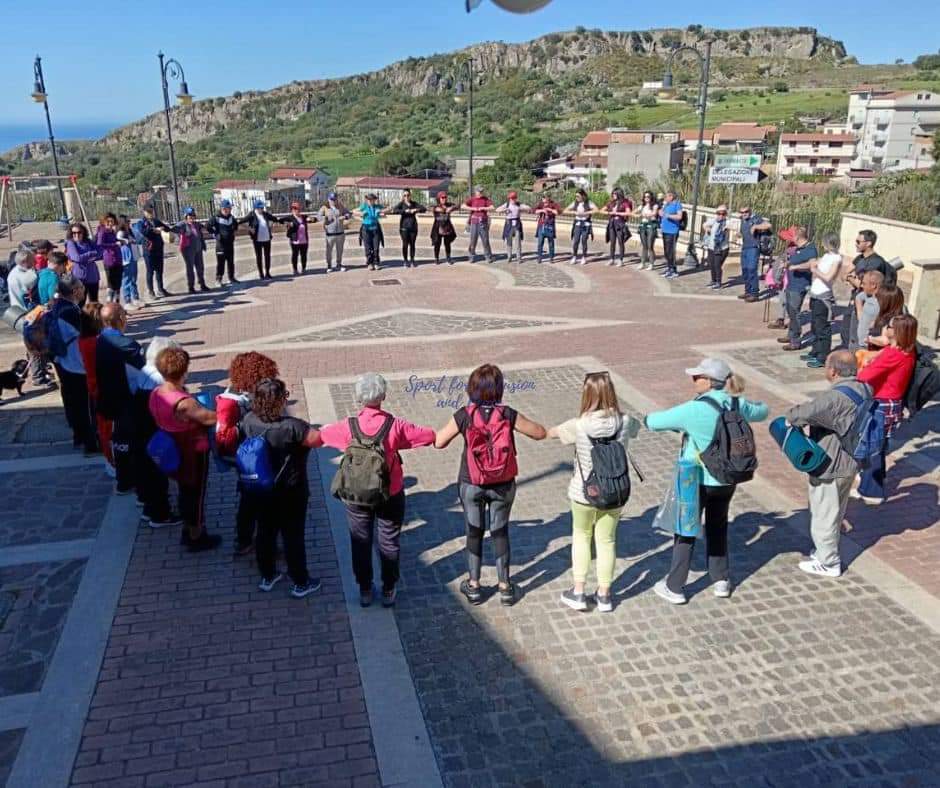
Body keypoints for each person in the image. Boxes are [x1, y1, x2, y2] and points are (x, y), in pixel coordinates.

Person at [645, 358, 768, 603]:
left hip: (696, 477)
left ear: (710, 381)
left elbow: (653, 422)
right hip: (727, 478)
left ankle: (675, 586)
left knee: (686, 529)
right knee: (718, 525)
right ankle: (721, 579)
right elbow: (763, 410)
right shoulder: (736, 403)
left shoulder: (694, 409)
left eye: (697, 376)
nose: (693, 380)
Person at [316, 373, 436, 607]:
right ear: (383, 396)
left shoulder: (348, 426)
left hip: (356, 494)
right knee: (389, 541)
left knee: (360, 541)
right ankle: (389, 588)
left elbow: (321, 436)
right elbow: (426, 435)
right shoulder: (395, 426)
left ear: (359, 398)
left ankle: (365, 589)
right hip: (389, 492)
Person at [434, 364, 547, 606]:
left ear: (472, 388)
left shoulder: (464, 414)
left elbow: (439, 442)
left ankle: (474, 586)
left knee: (474, 532)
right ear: (499, 389)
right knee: (500, 531)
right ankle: (505, 587)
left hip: (471, 482)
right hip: (503, 484)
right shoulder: (507, 413)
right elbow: (539, 433)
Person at [547, 371, 640, 612]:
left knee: (581, 536)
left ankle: (578, 592)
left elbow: (551, 433)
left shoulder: (578, 426)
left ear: (587, 394)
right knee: (607, 540)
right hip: (615, 491)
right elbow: (637, 428)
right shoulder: (625, 421)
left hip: (583, 492)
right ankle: (605, 595)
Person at [786, 350, 870, 577]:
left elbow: (798, 415)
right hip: (852, 460)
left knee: (824, 513)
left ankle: (828, 561)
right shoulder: (864, 388)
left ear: (832, 370)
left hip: (832, 463)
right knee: (836, 510)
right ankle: (825, 551)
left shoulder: (834, 398)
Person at [240, 378, 322, 598]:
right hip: (290, 491)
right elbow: (317, 439)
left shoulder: (248, 420)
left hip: (260, 489)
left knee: (265, 532)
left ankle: (267, 575)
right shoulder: (292, 427)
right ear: (278, 401)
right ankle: (300, 581)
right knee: (293, 536)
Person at [149, 347, 221, 551]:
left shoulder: (156, 393)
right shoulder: (184, 402)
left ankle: (188, 529)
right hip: (191, 450)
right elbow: (209, 418)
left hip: (171, 447)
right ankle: (196, 535)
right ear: (184, 371)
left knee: (184, 490)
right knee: (195, 494)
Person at [854, 315, 918, 504]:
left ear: (896, 331)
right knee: (879, 445)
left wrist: (865, 364)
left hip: (881, 403)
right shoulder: (907, 351)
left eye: (889, 327)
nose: (886, 329)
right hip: (893, 403)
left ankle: (871, 491)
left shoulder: (893, 354)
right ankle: (874, 478)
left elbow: (864, 376)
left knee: (872, 446)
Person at [222, 351, 281, 556]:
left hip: (242, 458)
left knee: (247, 498)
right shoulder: (246, 400)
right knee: (264, 502)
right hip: (258, 456)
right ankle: (267, 545)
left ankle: (243, 540)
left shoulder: (231, 393)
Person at [97, 302, 149, 495]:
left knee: (119, 441)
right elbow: (145, 369)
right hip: (127, 399)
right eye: (125, 314)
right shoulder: (126, 345)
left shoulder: (101, 339)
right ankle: (132, 481)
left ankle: (123, 480)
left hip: (109, 398)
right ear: (120, 319)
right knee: (132, 442)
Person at [50, 275, 98, 454]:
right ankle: (90, 443)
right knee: (85, 407)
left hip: (64, 363)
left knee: (74, 404)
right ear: (75, 291)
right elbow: (86, 334)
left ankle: (79, 437)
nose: (83, 289)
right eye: (80, 287)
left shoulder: (59, 307)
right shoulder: (71, 312)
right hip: (75, 365)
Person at [77, 302, 114, 477]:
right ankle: (111, 458)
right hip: (103, 385)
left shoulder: (83, 340)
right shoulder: (98, 341)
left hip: (92, 384)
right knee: (107, 426)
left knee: (101, 423)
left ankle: (108, 456)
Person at [7, 250, 54, 388]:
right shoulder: (26, 276)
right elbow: (35, 278)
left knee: (32, 348)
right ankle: (38, 377)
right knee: (35, 349)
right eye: (33, 260)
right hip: (27, 316)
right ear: (24, 262)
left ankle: (40, 371)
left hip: (20, 314)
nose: (35, 262)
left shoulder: (14, 272)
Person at [843, 230, 895, 350]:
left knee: (860, 338)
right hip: (857, 300)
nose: (855, 244)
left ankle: (857, 365)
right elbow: (845, 274)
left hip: (868, 304)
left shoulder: (876, 262)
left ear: (868, 243)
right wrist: (852, 279)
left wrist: (851, 278)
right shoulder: (860, 258)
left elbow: (863, 285)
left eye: (858, 241)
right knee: (849, 334)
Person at [803, 233, 844, 368]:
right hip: (815, 294)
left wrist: (815, 270)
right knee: (815, 325)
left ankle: (823, 356)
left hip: (823, 297)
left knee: (823, 327)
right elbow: (817, 264)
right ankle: (815, 351)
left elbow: (829, 277)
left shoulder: (836, 258)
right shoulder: (826, 256)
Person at [777, 226, 817, 352]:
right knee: (790, 310)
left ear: (798, 237)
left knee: (795, 312)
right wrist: (787, 264)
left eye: (792, 236)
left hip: (799, 285)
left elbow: (812, 264)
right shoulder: (798, 248)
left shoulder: (810, 249)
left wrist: (796, 267)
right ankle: (791, 334)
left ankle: (795, 340)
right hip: (791, 284)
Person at [131, 204, 171, 299]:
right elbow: (144, 232)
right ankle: (151, 291)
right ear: (144, 212)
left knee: (159, 271)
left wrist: (162, 228)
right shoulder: (141, 223)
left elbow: (167, 228)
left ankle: (161, 289)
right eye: (148, 212)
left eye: (151, 211)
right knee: (150, 271)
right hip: (149, 251)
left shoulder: (156, 221)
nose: (150, 214)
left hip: (159, 249)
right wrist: (154, 230)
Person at [737, 206, 772, 302]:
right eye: (742, 212)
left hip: (753, 247)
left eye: (746, 211)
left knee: (752, 269)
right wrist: (739, 234)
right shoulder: (742, 220)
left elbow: (768, 225)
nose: (744, 213)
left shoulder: (756, 218)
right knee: (745, 270)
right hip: (745, 248)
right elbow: (743, 232)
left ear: (750, 211)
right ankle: (747, 291)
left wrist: (756, 226)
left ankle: (754, 293)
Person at [173, 207, 211, 294]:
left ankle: (202, 284)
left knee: (200, 267)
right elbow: (174, 229)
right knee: (190, 268)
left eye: (193, 215)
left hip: (198, 248)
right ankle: (191, 287)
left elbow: (205, 227)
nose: (192, 218)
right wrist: (182, 231)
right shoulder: (182, 224)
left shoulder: (196, 224)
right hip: (188, 250)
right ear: (186, 216)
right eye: (190, 216)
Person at [206, 199, 241, 286]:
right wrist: (215, 233)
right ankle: (218, 280)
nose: (226, 210)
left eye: (228, 208)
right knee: (221, 263)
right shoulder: (216, 218)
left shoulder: (231, 217)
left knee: (231, 262)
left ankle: (231, 278)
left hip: (230, 244)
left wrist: (233, 232)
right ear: (221, 209)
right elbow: (208, 226)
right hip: (220, 245)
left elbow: (236, 226)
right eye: (224, 208)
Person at [243, 200, 281, 279]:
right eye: (260, 208)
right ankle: (261, 274)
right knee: (259, 257)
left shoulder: (265, 214)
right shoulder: (252, 215)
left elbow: (275, 219)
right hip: (257, 240)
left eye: (262, 207)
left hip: (267, 239)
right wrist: (250, 228)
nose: (262, 209)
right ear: (256, 208)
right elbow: (240, 222)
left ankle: (267, 272)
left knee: (267, 256)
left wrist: (271, 224)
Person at [65, 222, 101, 303]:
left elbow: (100, 252)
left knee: (94, 302)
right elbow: (76, 258)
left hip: (92, 276)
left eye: (79, 232)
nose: (76, 235)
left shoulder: (88, 241)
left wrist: (85, 257)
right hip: (79, 278)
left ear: (83, 232)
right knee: (80, 303)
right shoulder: (71, 243)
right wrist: (91, 254)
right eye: (74, 233)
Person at [391, 189, 426, 268]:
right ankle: (405, 260)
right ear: (403, 197)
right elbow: (394, 210)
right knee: (405, 244)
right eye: (405, 195)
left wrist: (416, 210)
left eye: (408, 195)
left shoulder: (414, 203)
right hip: (404, 227)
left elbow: (424, 209)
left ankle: (412, 260)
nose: (406, 197)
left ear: (410, 196)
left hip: (413, 227)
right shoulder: (401, 204)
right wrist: (405, 211)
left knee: (412, 244)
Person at [318, 192, 350, 273]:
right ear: (328, 199)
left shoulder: (340, 206)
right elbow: (318, 216)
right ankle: (329, 265)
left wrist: (345, 217)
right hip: (330, 233)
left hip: (340, 232)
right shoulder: (325, 207)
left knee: (340, 250)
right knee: (329, 250)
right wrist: (325, 218)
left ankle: (339, 264)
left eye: (335, 199)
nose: (333, 201)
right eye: (332, 199)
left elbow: (348, 213)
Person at [853, 270, 884, 351]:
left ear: (873, 285)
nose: (862, 286)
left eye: (864, 283)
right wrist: (860, 316)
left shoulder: (883, 301)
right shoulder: (867, 295)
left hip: (872, 347)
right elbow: (858, 297)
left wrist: (874, 324)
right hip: (861, 344)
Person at [496, 191, 530, 264]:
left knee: (518, 241)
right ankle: (509, 256)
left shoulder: (518, 204)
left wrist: (521, 209)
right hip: (509, 224)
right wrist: (504, 210)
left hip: (517, 224)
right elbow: (497, 209)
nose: (512, 200)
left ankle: (519, 257)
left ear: (516, 198)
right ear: (509, 198)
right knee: (509, 241)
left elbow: (528, 208)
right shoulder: (507, 204)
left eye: (514, 198)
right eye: (511, 198)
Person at [565, 189, 597, 266]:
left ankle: (584, 257)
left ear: (583, 196)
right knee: (576, 241)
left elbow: (596, 209)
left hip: (586, 224)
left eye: (578, 196)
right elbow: (565, 210)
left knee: (584, 241)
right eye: (576, 196)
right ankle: (574, 256)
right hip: (577, 223)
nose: (577, 198)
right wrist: (574, 212)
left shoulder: (588, 203)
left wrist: (586, 212)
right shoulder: (575, 203)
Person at [283, 201, 316, 275]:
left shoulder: (304, 217)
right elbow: (282, 221)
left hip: (304, 240)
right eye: (294, 208)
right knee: (295, 255)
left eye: (297, 208)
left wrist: (311, 219)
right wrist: (287, 224)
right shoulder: (290, 218)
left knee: (304, 255)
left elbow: (314, 220)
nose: (295, 210)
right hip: (295, 241)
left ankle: (304, 269)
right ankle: (295, 269)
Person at [355, 193, 386, 271]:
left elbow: (389, 209)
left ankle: (376, 262)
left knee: (376, 247)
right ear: (367, 200)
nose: (370, 201)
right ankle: (369, 263)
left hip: (375, 229)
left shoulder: (377, 206)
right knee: (368, 247)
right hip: (366, 229)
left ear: (374, 200)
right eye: (369, 199)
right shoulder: (364, 206)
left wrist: (380, 211)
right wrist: (361, 213)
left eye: (372, 199)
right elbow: (354, 211)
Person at [464, 185, 495, 264]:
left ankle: (488, 256)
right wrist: (473, 209)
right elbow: (463, 206)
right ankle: (471, 256)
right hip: (474, 223)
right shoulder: (472, 199)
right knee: (473, 241)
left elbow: (492, 207)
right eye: (479, 191)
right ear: (476, 191)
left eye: (482, 191)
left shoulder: (485, 199)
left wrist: (484, 208)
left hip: (483, 223)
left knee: (485, 240)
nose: (481, 193)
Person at [95, 213, 122, 303]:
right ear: (104, 222)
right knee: (111, 284)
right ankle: (110, 304)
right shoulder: (102, 231)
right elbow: (100, 244)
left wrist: (120, 241)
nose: (110, 223)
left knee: (118, 283)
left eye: (112, 221)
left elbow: (114, 241)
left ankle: (116, 304)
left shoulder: (112, 231)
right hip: (109, 260)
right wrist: (114, 244)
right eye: (108, 221)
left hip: (118, 259)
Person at [602, 188, 633, 267]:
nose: (613, 195)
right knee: (612, 242)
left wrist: (618, 213)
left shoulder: (625, 202)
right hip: (612, 223)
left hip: (620, 224)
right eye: (613, 194)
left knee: (620, 242)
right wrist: (609, 212)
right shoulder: (611, 203)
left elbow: (628, 212)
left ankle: (621, 260)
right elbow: (601, 210)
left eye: (615, 194)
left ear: (619, 194)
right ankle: (611, 259)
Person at [702, 205, 730, 289]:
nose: (721, 215)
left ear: (726, 214)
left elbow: (732, 227)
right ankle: (713, 280)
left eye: (723, 214)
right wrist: (707, 229)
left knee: (717, 265)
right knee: (712, 264)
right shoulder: (713, 221)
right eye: (719, 213)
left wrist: (727, 229)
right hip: (711, 247)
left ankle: (718, 282)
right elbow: (704, 224)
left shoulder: (727, 222)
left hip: (722, 248)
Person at [116, 230, 143, 311]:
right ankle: (127, 301)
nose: (128, 223)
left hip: (133, 258)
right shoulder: (120, 232)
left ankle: (135, 298)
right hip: (126, 259)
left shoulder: (130, 231)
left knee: (133, 279)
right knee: (126, 280)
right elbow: (119, 240)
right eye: (127, 221)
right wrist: (128, 240)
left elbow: (138, 239)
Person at [430, 192, 457, 264]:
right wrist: (444, 210)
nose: (444, 199)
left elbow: (457, 206)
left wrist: (451, 208)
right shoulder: (436, 206)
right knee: (437, 243)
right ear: (439, 198)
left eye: (445, 197)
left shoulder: (448, 204)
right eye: (442, 197)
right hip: (438, 227)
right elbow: (433, 208)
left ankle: (448, 257)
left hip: (447, 227)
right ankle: (436, 258)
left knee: (447, 243)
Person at [534, 195, 560, 264]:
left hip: (550, 226)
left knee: (551, 243)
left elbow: (557, 212)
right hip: (541, 226)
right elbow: (535, 211)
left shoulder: (553, 204)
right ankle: (539, 258)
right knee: (540, 243)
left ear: (548, 198)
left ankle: (551, 258)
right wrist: (542, 210)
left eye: (544, 198)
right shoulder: (541, 204)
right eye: (542, 198)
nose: (543, 200)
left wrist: (550, 210)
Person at [636, 191, 659, 271]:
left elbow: (654, 214)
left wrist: (645, 215)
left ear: (651, 197)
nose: (646, 198)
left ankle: (651, 263)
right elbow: (633, 212)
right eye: (645, 196)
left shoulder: (654, 205)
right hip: (643, 226)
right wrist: (637, 215)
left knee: (650, 246)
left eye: (648, 196)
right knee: (644, 246)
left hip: (651, 226)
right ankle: (643, 263)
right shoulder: (642, 206)